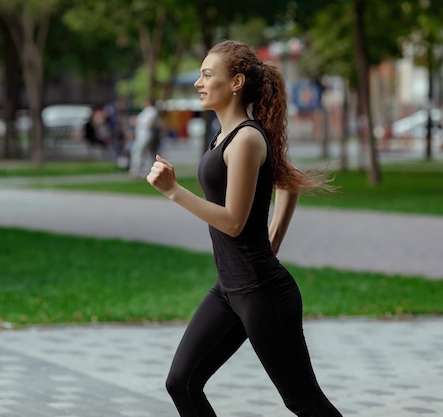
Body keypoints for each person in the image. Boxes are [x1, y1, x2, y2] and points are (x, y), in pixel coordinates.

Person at [146, 40, 342, 417]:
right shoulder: (223, 137)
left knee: (303, 400)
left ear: (235, 82)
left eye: (207, 75)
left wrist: (173, 191)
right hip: (229, 290)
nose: (198, 83)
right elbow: (287, 180)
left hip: (262, 294)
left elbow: (233, 222)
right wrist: (274, 238)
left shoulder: (248, 138)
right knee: (181, 382)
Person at [129, 99, 159, 178]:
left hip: (145, 135)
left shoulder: (151, 111)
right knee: (146, 154)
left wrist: (138, 122)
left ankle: (135, 171)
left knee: (137, 152)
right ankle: (147, 171)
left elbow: (150, 124)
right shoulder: (145, 112)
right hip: (141, 135)